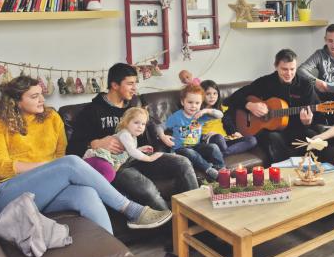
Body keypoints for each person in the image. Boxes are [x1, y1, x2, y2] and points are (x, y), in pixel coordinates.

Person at [0, 76, 171, 234]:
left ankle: (114, 254)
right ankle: (132, 210)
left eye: (42, 95)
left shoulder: (52, 118)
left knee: (87, 193)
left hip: (44, 192)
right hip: (6, 194)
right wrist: (50, 167)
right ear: (16, 102)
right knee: (70, 162)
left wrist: (55, 167)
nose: (42, 100)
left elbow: (60, 155)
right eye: (34, 96)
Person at [69, 63, 198, 213]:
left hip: (140, 155)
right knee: (147, 190)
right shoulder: (91, 111)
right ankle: (173, 228)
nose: (135, 88)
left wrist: (161, 134)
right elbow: (72, 148)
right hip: (117, 166)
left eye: (135, 83)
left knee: (183, 162)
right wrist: (96, 143)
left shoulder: (134, 105)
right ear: (115, 85)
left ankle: (197, 216)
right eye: (130, 84)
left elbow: (151, 123)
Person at [225, 48, 321, 163]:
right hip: (270, 132)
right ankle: (283, 173)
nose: (289, 73)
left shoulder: (306, 85)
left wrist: (308, 122)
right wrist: (249, 105)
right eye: (284, 69)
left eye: (292, 69)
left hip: (296, 129)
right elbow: (233, 98)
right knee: (273, 138)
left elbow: (317, 113)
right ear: (276, 66)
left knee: (315, 139)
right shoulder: (265, 82)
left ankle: (311, 173)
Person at [157, 84, 225, 180]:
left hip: (196, 146)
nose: (193, 106)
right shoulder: (177, 116)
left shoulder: (200, 115)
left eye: (197, 103)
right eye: (190, 102)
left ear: (201, 103)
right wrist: (163, 136)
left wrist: (206, 110)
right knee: (190, 152)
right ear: (182, 102)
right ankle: (209, 170)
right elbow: (160, 126)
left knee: (213, 147)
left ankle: (222, 170)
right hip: (180, 149)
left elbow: (220, 115)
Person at [82, 107, 162, 182]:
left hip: (105, 161)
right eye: (136, 122)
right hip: (98, 158)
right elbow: (132, 151)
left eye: (143, 124)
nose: (140, 126)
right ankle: (96, 188)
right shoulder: (125, 134)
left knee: (109, 173)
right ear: (126, 123)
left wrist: (140, 149)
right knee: (110, 173)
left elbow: (128, 151)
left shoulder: (133, 136)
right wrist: (149, 158)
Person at [200, 80, 258, 156]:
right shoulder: (199, 111)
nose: (212, 96)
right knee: (218, 138)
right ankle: (221, 151)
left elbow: (228, 122)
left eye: (215, 93)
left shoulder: (222, 108)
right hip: (210, 140)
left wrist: (234, 132)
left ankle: (223, 153)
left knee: (252, 140)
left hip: (225, 139)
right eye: (208, 94)